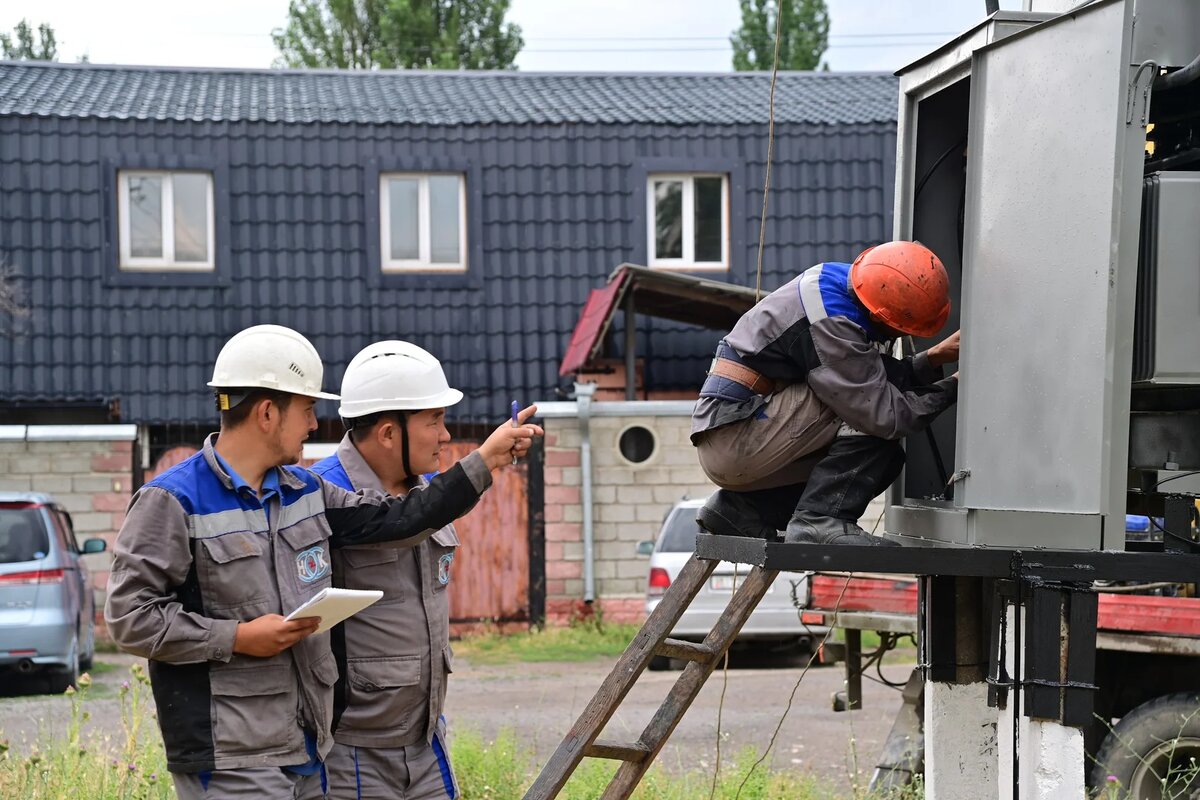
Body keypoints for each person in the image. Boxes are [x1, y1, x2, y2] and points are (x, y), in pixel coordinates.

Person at [104, 325, 540, 800]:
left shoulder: (304, 491)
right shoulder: (172, 500)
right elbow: (130, 618)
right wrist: (239, 637)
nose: (315, 424)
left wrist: (483, 462)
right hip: (232, 755)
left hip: (306, 748)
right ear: (269, 413)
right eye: (308, 409)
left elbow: (397, 520)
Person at [310, 341, 530, 799]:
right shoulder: (320, 495)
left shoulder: (432, 493)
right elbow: (400, 520)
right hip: (352, 751)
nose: (446, 435)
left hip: (427, 743)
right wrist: (484, 459)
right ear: (389, 433)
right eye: (434, 421)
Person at [691, 241, 961, 546]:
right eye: (901, 329)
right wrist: (955, 386)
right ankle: (820, 520)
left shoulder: (851, 285)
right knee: (872, 416)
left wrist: (935, 357)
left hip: (739, 431)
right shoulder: (831, 321)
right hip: (737, 439)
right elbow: (883, 412)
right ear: (881, 315)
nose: (902, 335)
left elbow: (866, 373)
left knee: (884, 459)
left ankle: (744, 511)